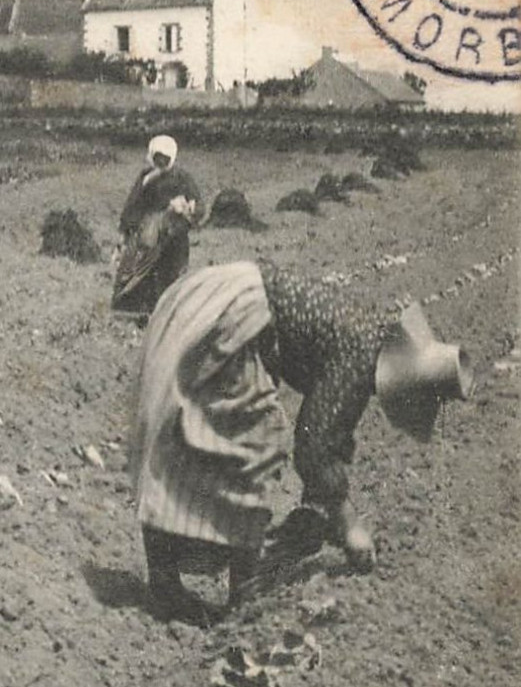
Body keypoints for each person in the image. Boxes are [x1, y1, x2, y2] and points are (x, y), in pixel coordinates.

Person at [129, 259, 472, 622]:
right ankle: (239, 598)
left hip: (222, 296)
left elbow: (333, 430)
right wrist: (348, 524)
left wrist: (321, 505)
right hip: (235, 313)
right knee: (250, 447)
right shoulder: (359, 359)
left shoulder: (369, 334)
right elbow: (313, 447)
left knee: (194, 438)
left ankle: (172, 580)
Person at [113, 134, 202, 315]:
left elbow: (198, 203)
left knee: (172, 272)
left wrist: (189, 207)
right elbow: (133, 204)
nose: (161, 162)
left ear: (172, 157)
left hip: (174, 233)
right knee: (139, 271)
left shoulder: (182, 177)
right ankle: (136, 309)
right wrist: (125, 231)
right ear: (151, 156)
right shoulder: (146, 177)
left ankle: (168, 312)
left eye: (165, 158)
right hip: (148, 233)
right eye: (157, 157)